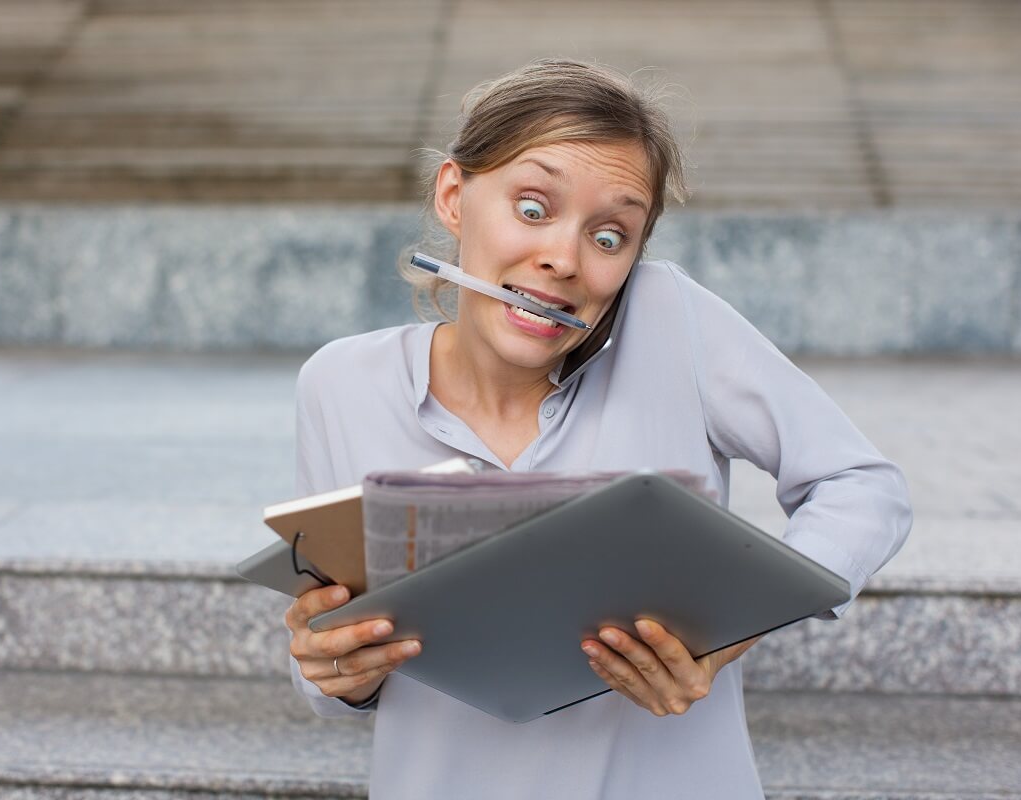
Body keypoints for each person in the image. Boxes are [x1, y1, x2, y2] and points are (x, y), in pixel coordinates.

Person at [282, 59, 912, 798]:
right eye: (531, 208)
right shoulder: (340, 384)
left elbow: (865, 488)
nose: (563, 259)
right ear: (453, 197)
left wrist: (729, 633)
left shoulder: (673, 322)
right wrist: (334, 667)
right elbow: (322, 664)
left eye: (610, 236)